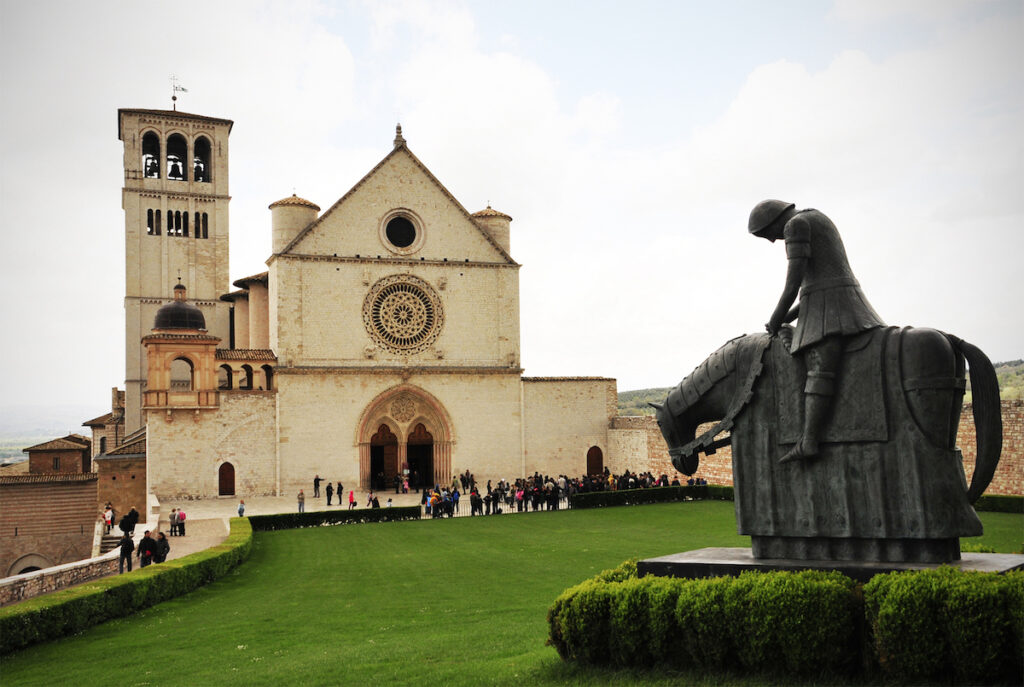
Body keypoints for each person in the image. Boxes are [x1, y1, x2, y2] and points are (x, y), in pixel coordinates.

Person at [749, 200, 885, 464]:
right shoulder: (816, 216)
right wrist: (786, 318)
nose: (771, 241)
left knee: (818, 366)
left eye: (766, 234)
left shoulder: (795, 225)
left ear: (773, 221)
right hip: (830, 299)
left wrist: (776, 318)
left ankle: (809, 440)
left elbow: (793, 284)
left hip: (835, 306)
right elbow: (817, 287)